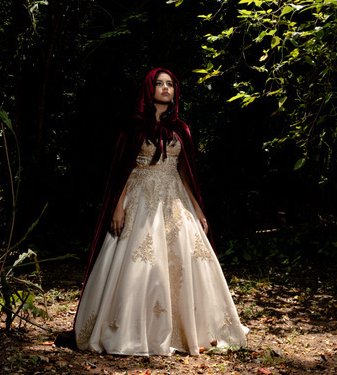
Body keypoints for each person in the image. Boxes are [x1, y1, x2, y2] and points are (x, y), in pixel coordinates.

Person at [72, 68, 248, 355]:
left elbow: (185, 171)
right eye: (159, 83)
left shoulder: (182, 129)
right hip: (139, 195)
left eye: (170, 84)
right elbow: (122, 170)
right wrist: (117, 206)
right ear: (148, 89)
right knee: (141, 263)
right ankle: (130, 332)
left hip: (174, 198)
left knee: (187, 260)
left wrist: (199, 210)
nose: (166, 88)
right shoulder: (133, 127)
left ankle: (190, 330)